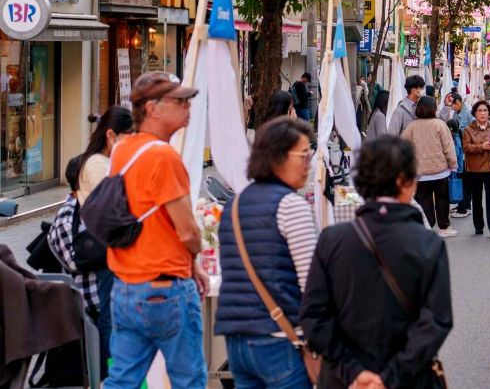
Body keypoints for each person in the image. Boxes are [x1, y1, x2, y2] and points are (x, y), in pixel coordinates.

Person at [301, 136, 453, 389]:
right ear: (404, 181)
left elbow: (313, 317)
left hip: (342, 379)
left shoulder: (333, 240)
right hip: (409, 380)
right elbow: (436, 321)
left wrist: (354, 372)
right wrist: (391, 377)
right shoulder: (427, 243)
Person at [105, 72, 207, 388]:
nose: (188, 106)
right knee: (189, 380)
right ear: (153, 108)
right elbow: (188, 231)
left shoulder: (123, 149)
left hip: (125, 286)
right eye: (179, 101)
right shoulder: (164, 156)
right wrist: (195, 258)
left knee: (122, 380)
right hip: (166, 289)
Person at [216, 117, 318, 389]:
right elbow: (312, 282)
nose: (309, 162)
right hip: (280, 338)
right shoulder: (290, 205)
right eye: (304, 155)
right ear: (277, 157)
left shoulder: (234, 205)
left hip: (237, 339)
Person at [60, 107, 134, 378]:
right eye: (128, 137)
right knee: (111, 318)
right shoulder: (97, 165)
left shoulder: (104, 162)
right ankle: (109, 377)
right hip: (105, 250)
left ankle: (113, 376)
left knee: (113, 316)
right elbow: (118, 203)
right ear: (112, 135)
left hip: (110, 248)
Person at [401, 96, 459, 238]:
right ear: (433, 108)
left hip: (420, 172)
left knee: (424, 200)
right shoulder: (439, 124)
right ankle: (444, 227)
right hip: (440, 170)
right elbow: (448, 147)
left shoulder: (411, 126)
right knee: (442, 199)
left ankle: (427, 226)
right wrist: (453, 164)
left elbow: (402, 147)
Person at [461, 101, 490, 237]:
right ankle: (478, 226)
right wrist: (482, 147)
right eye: (479, 110)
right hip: (474, 169)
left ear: (489, 113)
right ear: (474, 113)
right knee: (477, 198)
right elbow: (466, 147)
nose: (482, 113)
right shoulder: (468, 129)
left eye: (485, 110)